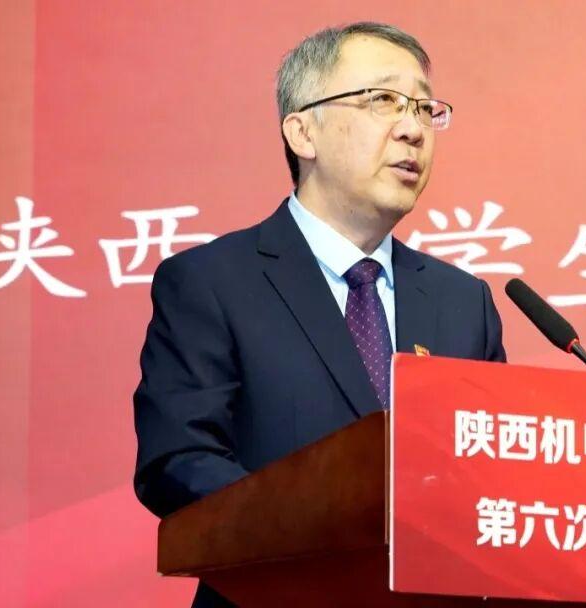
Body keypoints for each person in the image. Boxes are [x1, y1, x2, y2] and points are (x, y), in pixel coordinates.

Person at [132, 22, 506, 607]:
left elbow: (492, 471)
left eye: (423, 108)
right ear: (303, 131)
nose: (412, 129)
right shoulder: (211, 282)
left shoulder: (464, 302)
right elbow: (178, 460)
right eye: (383, 99)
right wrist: (324, 535)